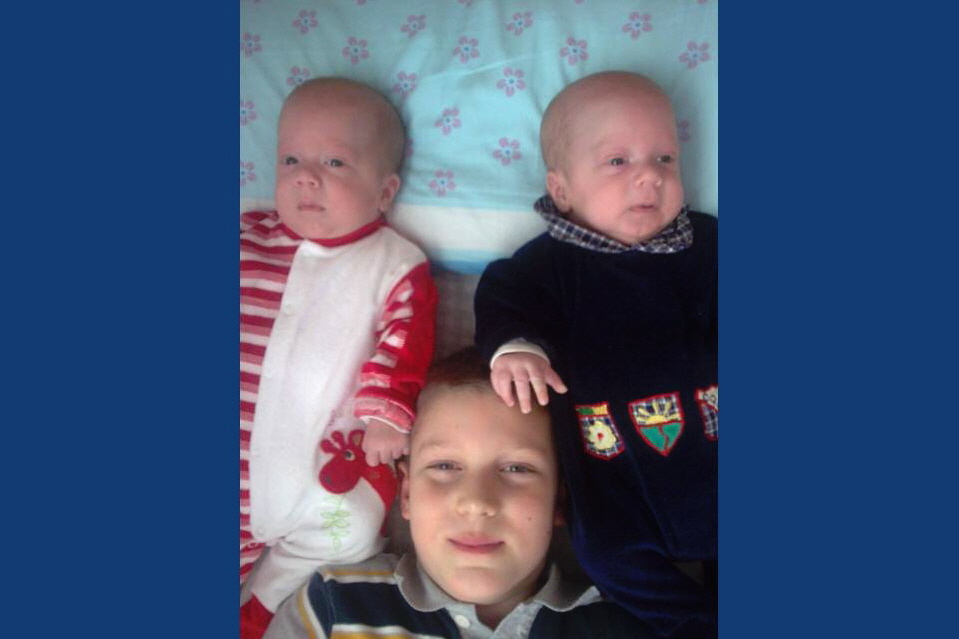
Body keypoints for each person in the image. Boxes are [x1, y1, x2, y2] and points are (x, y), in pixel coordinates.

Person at [473, 71, 718, 638]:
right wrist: (516, 347)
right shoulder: (547, 266)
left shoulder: (705, 245)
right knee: (604, 554)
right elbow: (503, 298)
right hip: (614, 479)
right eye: (617, 161)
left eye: (665, 158)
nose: (650, 176)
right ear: (562, 190)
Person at [264, 347, 651, 638]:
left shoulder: (622, 625)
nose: (476, 503)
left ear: (559, 500)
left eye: (517, 468)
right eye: (445, 466)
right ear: (407, 494)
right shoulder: (334, 605)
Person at [240, 77, 437, 637]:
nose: (306, 176)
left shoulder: (394, 263)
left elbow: (406, 338)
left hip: (316, 473)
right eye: (291, 160)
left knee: (349, 528)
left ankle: (258, 609)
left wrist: (386, 413)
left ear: (385, 191)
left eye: (334, 162)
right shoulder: (246, 240)